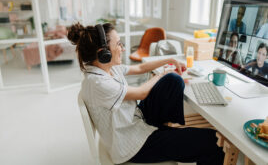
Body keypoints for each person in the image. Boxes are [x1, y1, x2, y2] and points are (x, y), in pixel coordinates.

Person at [67, 22, 224, 165]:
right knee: (213, 141)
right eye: (119, 44)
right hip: (132, 146)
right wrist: (160, 74)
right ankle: (170, 136)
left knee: (173, 80)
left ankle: (169, 132)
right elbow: (141, 93)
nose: (123, 48)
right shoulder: (98, 83)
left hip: (134, 123)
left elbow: (140, 68)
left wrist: (168, 61)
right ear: (104, 53)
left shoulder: (106, 68)